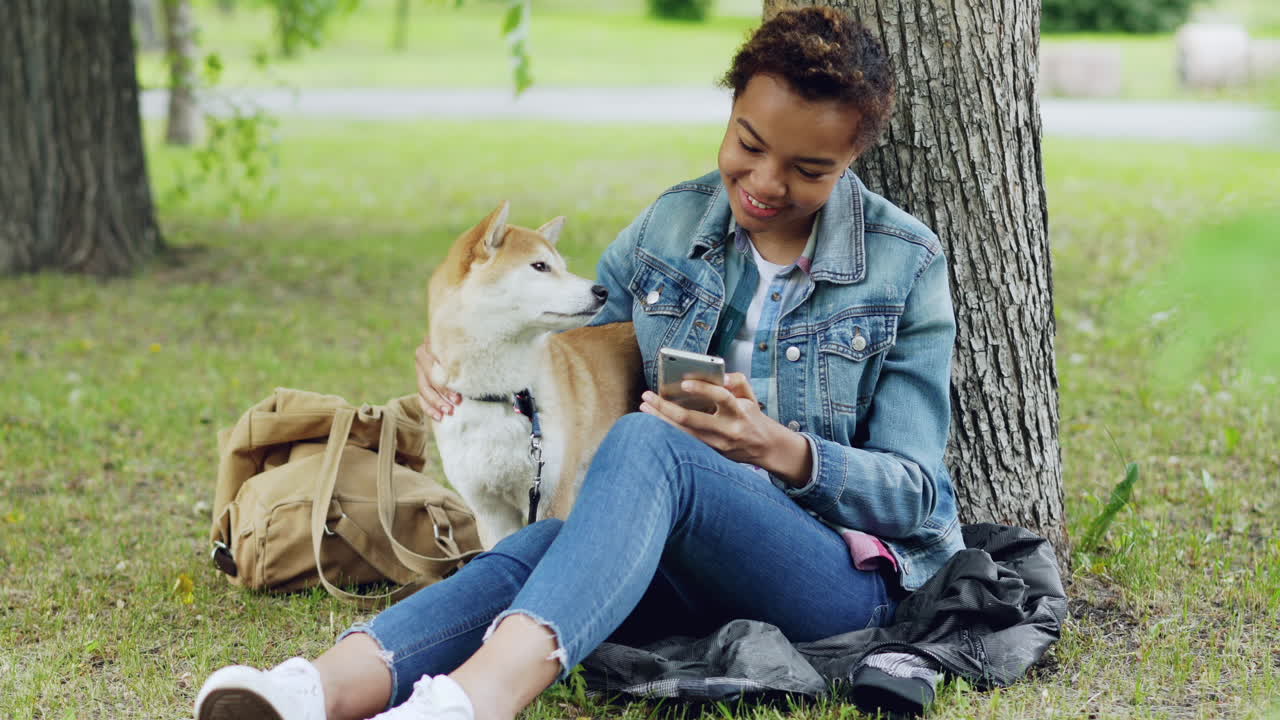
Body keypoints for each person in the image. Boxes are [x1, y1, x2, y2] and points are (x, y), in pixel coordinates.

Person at [193, 8, 964, 720]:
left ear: (853, 158)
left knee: (649, 442)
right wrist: (457, 366)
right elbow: (556, 343)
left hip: (836, 582)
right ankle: (311, 691)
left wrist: (778, 449)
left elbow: (918, 493)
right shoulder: (674, 224)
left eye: (808, 169)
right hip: (672, 556)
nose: (765, 184)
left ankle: (474, 701)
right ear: (730, 114)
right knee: (538, 545)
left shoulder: (904, 264)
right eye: (749, 145)